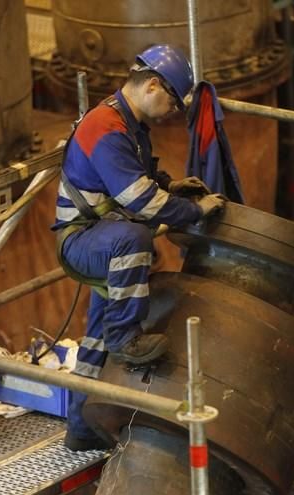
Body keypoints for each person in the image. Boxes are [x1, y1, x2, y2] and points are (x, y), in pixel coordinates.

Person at [52, 44, 227, 451]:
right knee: (137, 238)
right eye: (171, 101)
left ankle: (80, 430)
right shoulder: (106, 128)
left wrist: (173, 187)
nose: (171, 112)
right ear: (152, 85)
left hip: (104, 238)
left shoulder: (127, 126)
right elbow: (139, 201)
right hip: (87, 239)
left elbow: (141, 181)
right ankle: (125, 336)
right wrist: (195, 210)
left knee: (95, 340)